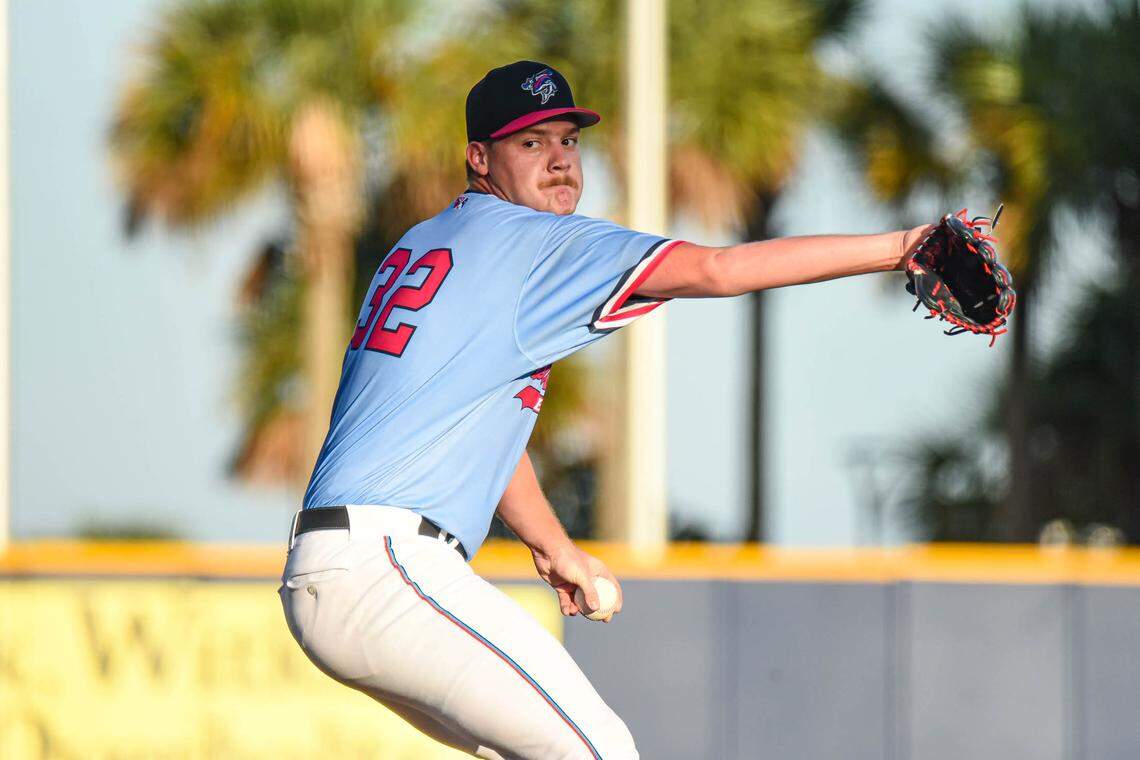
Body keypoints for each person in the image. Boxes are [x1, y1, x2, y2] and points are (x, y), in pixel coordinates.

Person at [279, 60, 930, 760]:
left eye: (568, 140)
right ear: (479, 157)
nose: (559, 160)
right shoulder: (538, 242)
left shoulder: (422, 243)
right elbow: (717, 270)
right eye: (530, 144)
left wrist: (554, 547)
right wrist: (900, 248)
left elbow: (477, 436)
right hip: (387, 567)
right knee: (598, 750)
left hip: (331, 568)